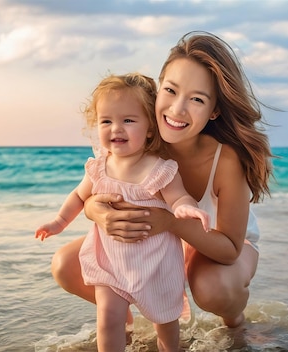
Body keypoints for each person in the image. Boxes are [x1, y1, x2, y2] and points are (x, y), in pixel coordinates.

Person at [50, 31, 274, 336]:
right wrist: (95, 211)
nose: (177, 109)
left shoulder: (225, 161)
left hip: (216, 244)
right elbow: (92, 189)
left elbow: (230, 249)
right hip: (152, 239)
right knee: (65, 264)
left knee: (214, 289)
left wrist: (171, 223)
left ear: (215, 110)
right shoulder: (132, 135)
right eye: (171, 90)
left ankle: (236, 324)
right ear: (158, 91)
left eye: (197, 99)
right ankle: (120, 319)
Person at [35, 72, 210, 352]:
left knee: (165, 323)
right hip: (110, 262)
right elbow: (79, 197)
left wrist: (186, 208)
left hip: (156, 265)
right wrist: (59, 221)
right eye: (106, 121)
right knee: (108, 318)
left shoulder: (159, 168)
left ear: (150, 128)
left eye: (128, 120)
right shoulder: (99, 166)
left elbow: (178, 197)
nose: (116, 128)